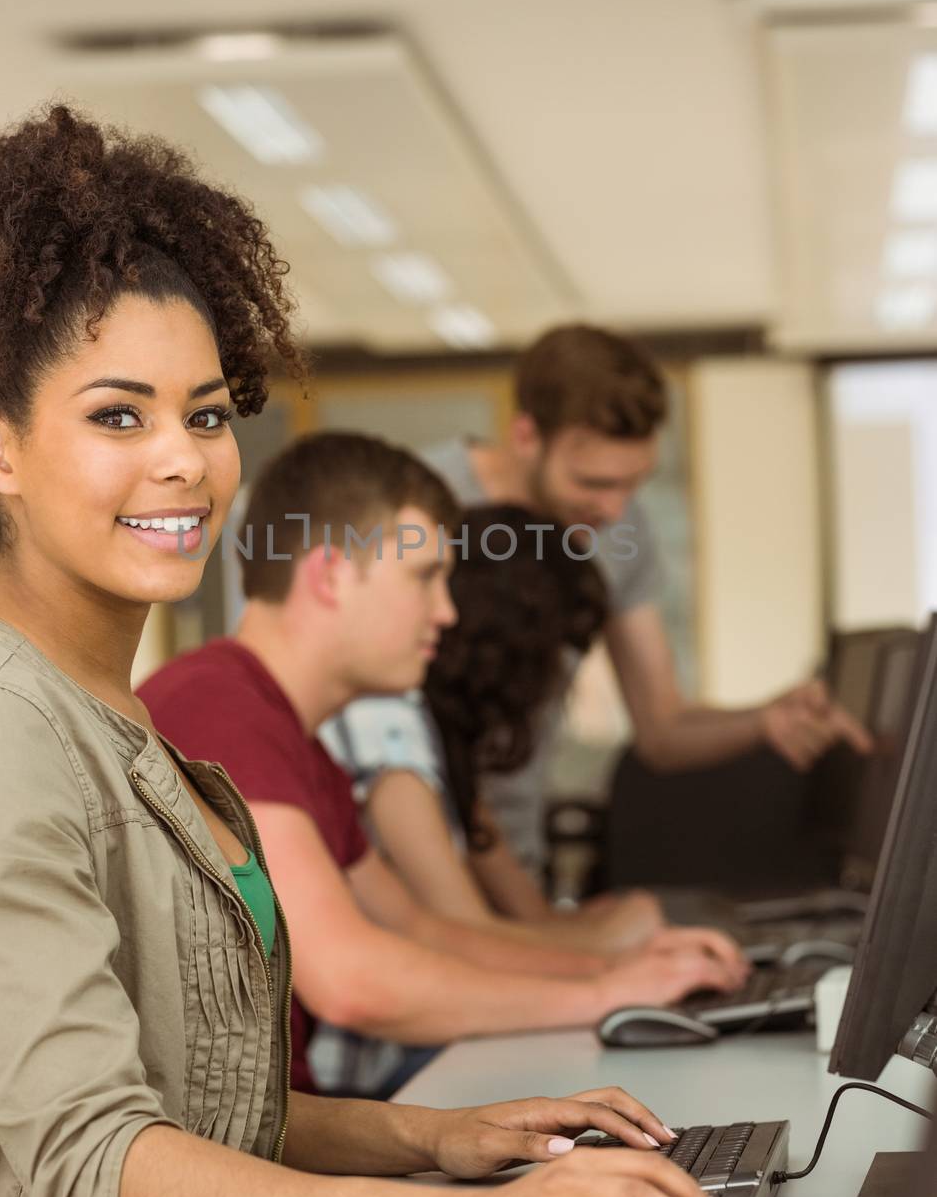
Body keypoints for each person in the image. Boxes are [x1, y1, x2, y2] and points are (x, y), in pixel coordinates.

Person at [0, 104, 733, 1197]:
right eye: (118, 416)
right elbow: (93, 1159)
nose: (182, 460)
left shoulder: (114, 719)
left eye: (207, 414)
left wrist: (440, 1142)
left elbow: (195, 1105)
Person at [140, 432, 748, 1099]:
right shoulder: (218, 709)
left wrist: (608, 971)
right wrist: (606, 992)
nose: (447, 612)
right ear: (331, 575)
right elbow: (352, 984)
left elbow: (418, 928)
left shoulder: (291, 735)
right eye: (425, 577)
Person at [422, 322, 872, 866]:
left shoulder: (623, 534)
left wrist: (763, 720)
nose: (612, 510)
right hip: (417, 856)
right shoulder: (415, 503)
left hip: (514, 856)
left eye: (633, 483)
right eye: (592, 483)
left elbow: (661, 729)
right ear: (525, 436)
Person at [321, 501, 663, 956]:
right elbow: (461, 932)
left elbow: (530, 918)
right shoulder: (388, 723)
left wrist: (590, 927)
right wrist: (608, 943)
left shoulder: (445, 743)